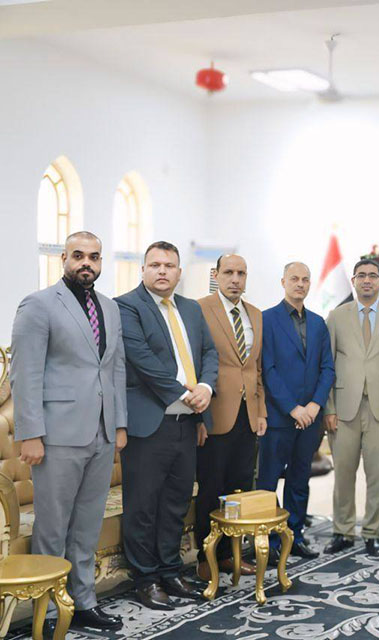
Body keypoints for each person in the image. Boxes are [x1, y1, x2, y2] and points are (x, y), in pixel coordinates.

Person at [11, 231, 126, 633]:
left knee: (87, 526)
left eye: (94, 257)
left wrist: (120, 424)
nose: (86, 263)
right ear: (64, 258)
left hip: (101, 433)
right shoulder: (39, 304)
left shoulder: (110, 308)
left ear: (100, 262)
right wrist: (30, 434)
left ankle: (83, 603)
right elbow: (25, 374)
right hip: (56, 435)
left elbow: (116, 369)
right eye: (78, 255)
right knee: (53, 527)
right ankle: (46, 610)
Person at [117, 240, 218, 610]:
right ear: (143, 269)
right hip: (149, 425)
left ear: (179, 272)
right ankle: (145, 580)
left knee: (176, 503)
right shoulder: (127, 306)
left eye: (169, 265)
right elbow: (142, 359)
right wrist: (186, 393)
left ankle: (170, 571)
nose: (162, 271)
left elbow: (209, 353)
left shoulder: (191, 308)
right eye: (155, 265)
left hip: (186, 425)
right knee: (143, 506)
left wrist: (206, 388)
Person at [323, 259, 379, 558]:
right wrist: (329, 408)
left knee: (377, 476)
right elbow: (327, 365)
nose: (367, 280)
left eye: (373, 276)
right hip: (343, 409)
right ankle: (343, 531)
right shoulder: (336, 316)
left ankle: (372, 532)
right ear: (354, 281)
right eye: (362, 276)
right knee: (343, 475)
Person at [194, 254, 267, 581]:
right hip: (214, 413)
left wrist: (261, 411)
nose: (235, 279)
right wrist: (197, 418)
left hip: (247, 416)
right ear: (217, 274)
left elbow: (255, 369)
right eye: (229, 272)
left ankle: (228, 555)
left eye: (241, 273)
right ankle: (205, 557)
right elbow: (195, 364)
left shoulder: (256, 314)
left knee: (238, 489)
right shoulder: (199, 309)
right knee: (211, 489)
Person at [259, 262, 335, 563]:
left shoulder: (318, 323)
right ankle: (270, 540)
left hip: (310, 420)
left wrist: (315, 405)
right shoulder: (266, 319)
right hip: (279, 417)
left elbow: (327, 368)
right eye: (294, 278)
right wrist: (293, 408)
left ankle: (295, 536)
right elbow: (268, 369)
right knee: (268, 481)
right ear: (283, 282)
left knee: (300, 479)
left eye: (305, 279)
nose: (300, 284)